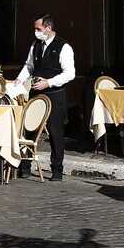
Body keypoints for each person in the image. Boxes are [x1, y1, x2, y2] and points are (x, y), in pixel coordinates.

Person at [13, 14, 75, 181]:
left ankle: (56, 170)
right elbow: (29, 66)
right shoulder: (36, 45)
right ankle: (25, 166)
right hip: (36, 93)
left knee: (55, 133)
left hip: (55, 95)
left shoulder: (64, 47)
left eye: (38, 29)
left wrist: (49, 82)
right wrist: (20, 79)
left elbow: (70, 73)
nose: (36, 32)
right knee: (29, 130)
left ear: (48, 28)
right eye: (35, 29)